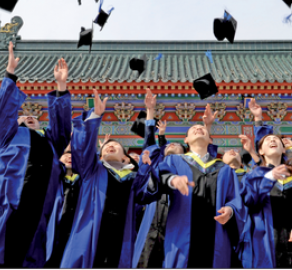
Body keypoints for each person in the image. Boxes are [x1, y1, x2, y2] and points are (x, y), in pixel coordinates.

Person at [0, 42, 72, 268]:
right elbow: (2, 114)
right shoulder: (7, 137)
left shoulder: (50, 142)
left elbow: (62, 127)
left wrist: (61, 85)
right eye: (23, 116)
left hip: (41, 208)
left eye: (34, 117)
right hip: (10, 206)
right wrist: (10, 74)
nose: (30, 117)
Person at [60, 89, 158, 268]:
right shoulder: (92, 171)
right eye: (106, 146)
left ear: (125, 158)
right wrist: (95, 116)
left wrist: (150, 114)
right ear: (100, 155)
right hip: (90, 238)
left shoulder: (132, 180)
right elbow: (83, 149)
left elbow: (149, 158)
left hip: (120, 242)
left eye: (115, 145)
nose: (110, 146)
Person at [134, 92, 217, 268]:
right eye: (169, 145)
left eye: (177, 145)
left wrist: (207, 128)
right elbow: (149, 141)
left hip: (180, 215)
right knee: (146, 258)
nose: (172, 145)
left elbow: (206, 157)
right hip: (154, 212)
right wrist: (150, 111)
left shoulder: (189, 166)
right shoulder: (157, 162)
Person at [157, 117, 246, 268]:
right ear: (186, 140)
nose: (198, 128)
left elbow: (234, 199)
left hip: (216, 236)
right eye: (193, 128)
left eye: (203, 128)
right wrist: (172, 180)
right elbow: (159, 177)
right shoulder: (174, 161)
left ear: (210, 140)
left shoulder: (224, 169)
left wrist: (230, 210)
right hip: (182, 234)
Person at [240, 132, 292, 268]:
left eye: (276, 139)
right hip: (265, 242)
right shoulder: (252, 177)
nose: (273, 140)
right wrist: (270, 177)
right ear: (261, 151)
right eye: (268, 140)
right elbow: (249, 200)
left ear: (284, 149)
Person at [45, 144, 81, 268]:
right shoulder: (51, 180)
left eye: (73, 156)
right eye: (66, 155)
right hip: (52, 230)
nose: (70, 157)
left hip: (74, 233)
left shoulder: (83, 183)